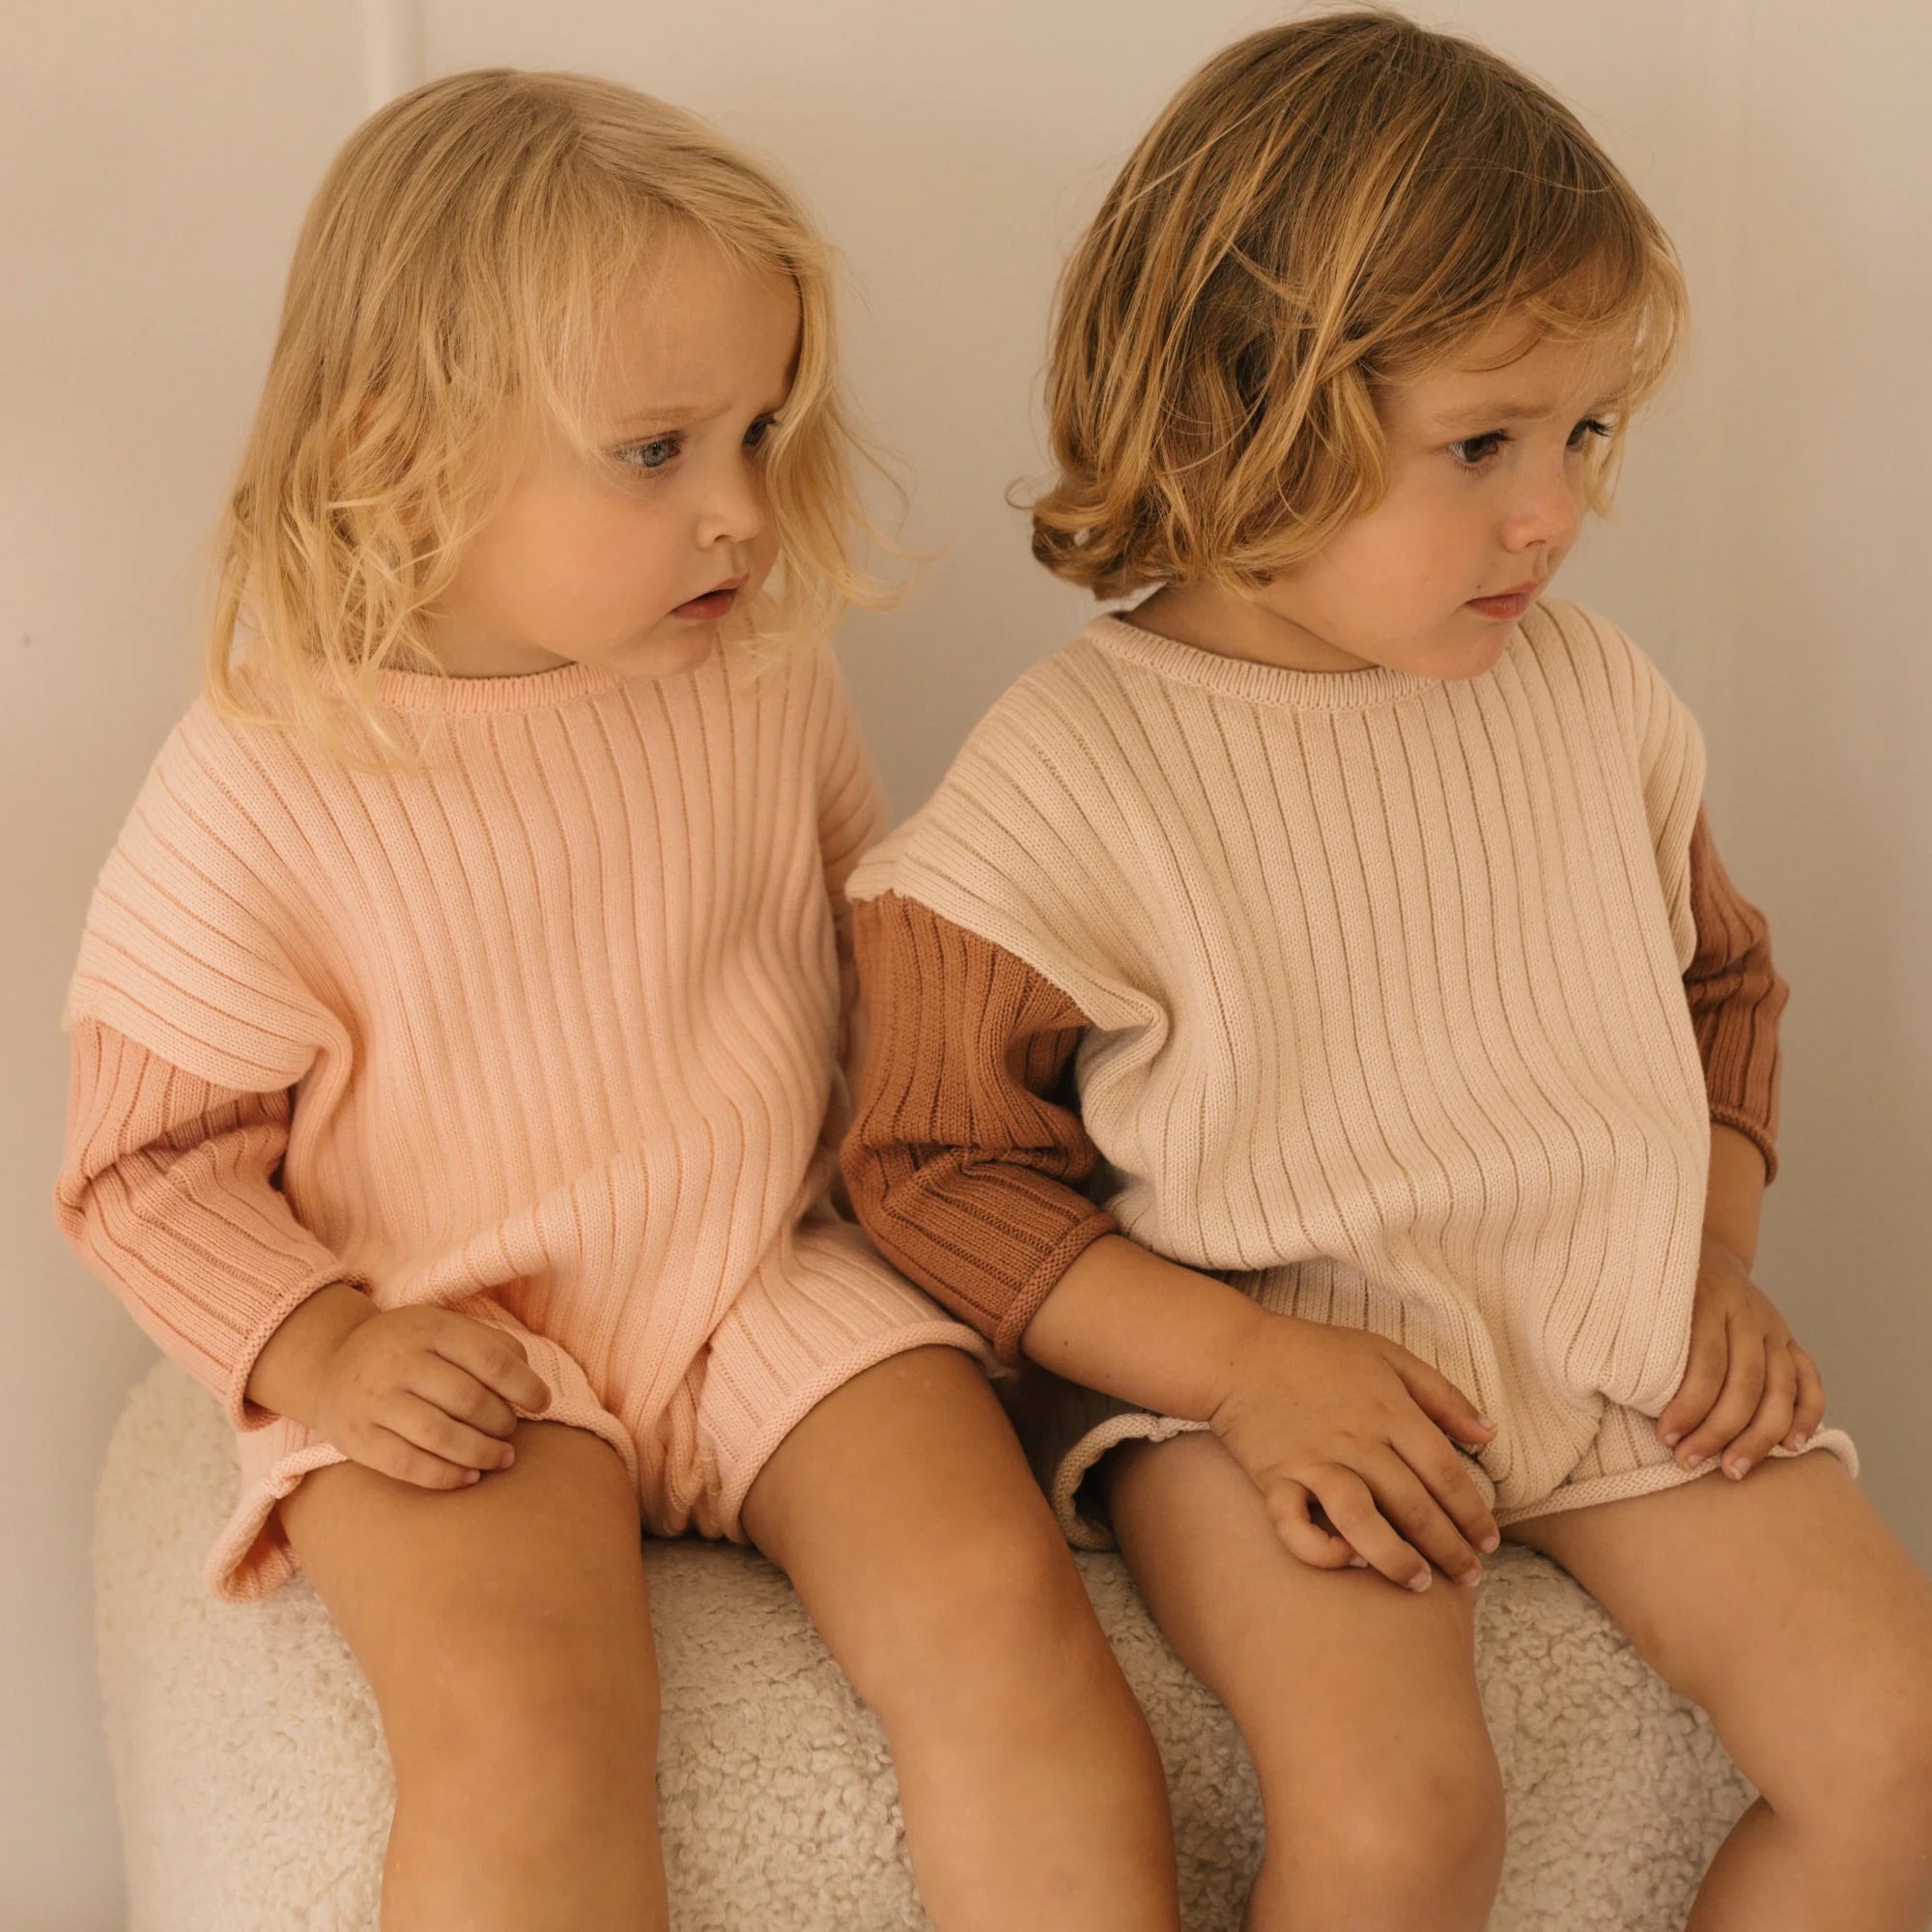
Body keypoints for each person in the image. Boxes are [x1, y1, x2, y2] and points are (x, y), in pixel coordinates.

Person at [55, 69, 1178, 1931]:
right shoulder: (269, 770)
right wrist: (320, 1349)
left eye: (762, 431)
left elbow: (859, 987)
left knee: (1003, 1618)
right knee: (523, 1720)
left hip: (764, 1279)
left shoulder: (760, 680)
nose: (743, 511)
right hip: (447, 1321)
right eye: (657, 452)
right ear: (397, 449)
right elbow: (144, 1167)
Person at [841, 14, 1932, 1929]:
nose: (1554, 512)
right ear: (1234, 412)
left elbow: (1722, 994)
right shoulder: (1077, 772)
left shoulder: (1594, 700)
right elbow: (930, 1167)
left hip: (1609, 1343)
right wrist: (1246, 1367)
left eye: (1583, 433)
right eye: (1482, 444)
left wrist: (1705, 1253)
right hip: (1263, 1379)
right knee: (1404, 1820)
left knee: (1903, 1749)